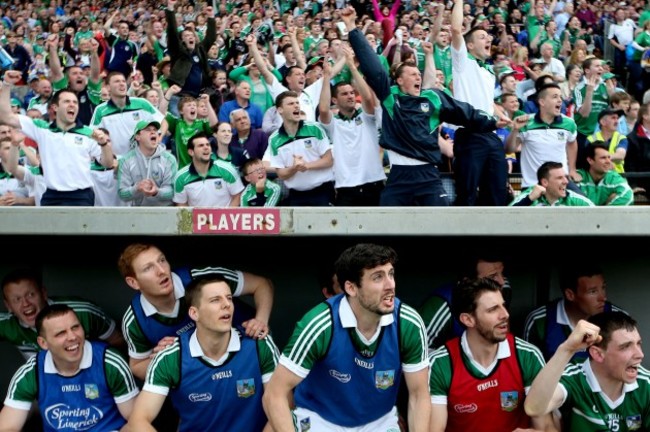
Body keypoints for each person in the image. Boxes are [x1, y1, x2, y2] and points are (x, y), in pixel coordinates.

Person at [342, 7, 503, 206]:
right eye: (412, 74)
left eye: (419, 74)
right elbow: (374, 69)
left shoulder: (433, 98)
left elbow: (465, 113)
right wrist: (352, 28)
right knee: (387, 228)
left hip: (429, 176)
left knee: (438, 228)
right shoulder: (391, 98)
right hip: (399, 177)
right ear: (399, 81)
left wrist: (493, 122)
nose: (418, 76)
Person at [263, 243, 431, 431]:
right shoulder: (319, 324)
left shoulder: (409, 323)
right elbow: (274, 395)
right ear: (351, 288)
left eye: (391, 274)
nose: (390, 285)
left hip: (379, 420)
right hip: (320, 419)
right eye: (378, 277)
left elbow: (419, 395)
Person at [124, 276, 279, 432]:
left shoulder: (258, 344)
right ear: (194, 313)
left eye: (229, 298)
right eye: (215, 300)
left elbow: (283, 407)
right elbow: (138, 421)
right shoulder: (170, 356)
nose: (226, 305)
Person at [118, 242, 273, 380]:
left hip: (247, 353)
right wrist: (164, 359)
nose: (161, 271)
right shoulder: (134, 320)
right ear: (133, 282)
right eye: (148, 268)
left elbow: (262, 284)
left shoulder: (200, 278)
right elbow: (137, 366)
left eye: (162, 260)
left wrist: (260, 320)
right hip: (200, 377)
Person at [429, 277, 552, 431]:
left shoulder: (528, 356)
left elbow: (547, 427)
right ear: (468, 319)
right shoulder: (441, 363)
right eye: (493, 309)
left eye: (503, 306)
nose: (505, 314)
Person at [0, 304, 139, 431]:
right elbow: (7, 427)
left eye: (75, 327)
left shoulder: (109, 363)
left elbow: (137, 421)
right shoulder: (31, 372)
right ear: (43, 343)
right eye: (61, 333)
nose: (72, 336)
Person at [0, 71, 113, 206]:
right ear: (55, 107)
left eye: (75, 102)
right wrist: (6, 84)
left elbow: (108, 163)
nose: (72, 105)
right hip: (51, 196)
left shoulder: (89, 133)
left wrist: (104, 144)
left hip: (81, 197)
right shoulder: (43, 129)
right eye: (66, 101)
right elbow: (6, 116)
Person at [524, 312, 650, 431]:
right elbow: (534, 408)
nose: (640, 354)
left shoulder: (646, 384)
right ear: (597, 354)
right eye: (626, 347)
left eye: (638, 344)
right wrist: (567, 348)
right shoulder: (574, 377)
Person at [450, 0, 509, 206]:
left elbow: (486, 101)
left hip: (491, 136)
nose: (488, 39)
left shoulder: (489, 71)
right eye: (482, 36)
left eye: (489, 36)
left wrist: (501, 114)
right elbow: (456, 29)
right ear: (470, 45)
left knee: (497, 193)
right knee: (467, 194)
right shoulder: (462, 63)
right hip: (470, 135)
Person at [0, 268, 123, 360]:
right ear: (8, 306)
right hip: (48, 384)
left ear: (43, 293)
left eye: (31, 295)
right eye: (17, 299)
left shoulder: (83, 313)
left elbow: (118, 341)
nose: (25, 303)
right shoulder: (8, 325)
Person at [319, 45, 386, 206]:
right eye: (344, 94)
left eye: (351, 93)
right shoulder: (334, 124)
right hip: (346, 187)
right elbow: (323, 109)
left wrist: (352, 68)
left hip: (373, 183)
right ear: (335, 100)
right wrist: (327, 77)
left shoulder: (367, 117)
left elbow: (368, 98)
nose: (350, 96)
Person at [524, 262, 625, 362]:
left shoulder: (618, 318)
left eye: (603, 288)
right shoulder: (539, 320)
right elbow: (531, 372)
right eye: (593, 292)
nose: (603, 297)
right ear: (570, 295)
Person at [418, 253, 510, 352]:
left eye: (502, 273)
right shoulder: (442, 306)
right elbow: (419, 353)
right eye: (492, 277)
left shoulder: (504, 289)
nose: (501, 282)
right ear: (468, 281)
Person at [507, 83, 579, 191]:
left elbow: (572, 142)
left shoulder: (569, 123)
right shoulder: (526, 122)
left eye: (560, 97)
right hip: (532, 186)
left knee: (585, 205)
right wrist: (515, 130)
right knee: (516, 207)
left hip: (561, 183)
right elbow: (509, 149)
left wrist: (572, 169)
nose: (560, 100)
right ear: (542, 102)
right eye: (555, 97)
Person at [267, 90, 334, 206]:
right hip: (295, 195)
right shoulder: (274, 139)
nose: (296, 106)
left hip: (322, 192)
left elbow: (329, 160)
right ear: (280, 110)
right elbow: (281, 174)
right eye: (291, 104)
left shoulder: (315, 129)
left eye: (297, 103)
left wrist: (306, 166)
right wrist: (294, 168)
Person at [90, 72, 165, 157]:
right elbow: (93, 134)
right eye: (117, 81)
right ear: (108, 87)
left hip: (142, 159)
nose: (122, 84)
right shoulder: (100, 110)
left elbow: (163, 121)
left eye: (123, 81)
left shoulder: (142, 103)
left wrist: (158, 138)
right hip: (117, 163)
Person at [173, 131, 244, 207]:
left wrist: (225, 217)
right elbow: (181, 204)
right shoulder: (180, 177)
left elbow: (237, 196)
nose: (206, 147)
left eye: (208, 145)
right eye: (201, 145)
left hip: (224, 218)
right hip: (196, 218)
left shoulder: (227, 169)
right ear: (191, 152)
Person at [117, 120, 178, 207]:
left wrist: (157, 191)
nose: (153, 132)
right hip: (138, 213)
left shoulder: (169, 159)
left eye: (155, 130)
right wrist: (137, 188)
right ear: (138, 136)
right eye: (148, 129)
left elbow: (173, 191)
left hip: (165, 212)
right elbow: (122, 194)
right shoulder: (126, 160)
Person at [509, 161, 595, 206]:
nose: (566, 181)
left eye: (565, 177)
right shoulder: (529, 196)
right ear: (545, 182)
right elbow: (506, 218)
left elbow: (599, 216)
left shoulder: (575, 200)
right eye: (560, 178)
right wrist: (529, 199)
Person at [576, 141, 633, 206]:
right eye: (603, 158)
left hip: (606, 215)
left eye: (609, 157)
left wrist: (603, 214)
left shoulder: (613, 176)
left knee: (614, 196)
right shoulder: (578, 176)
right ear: (590, 160)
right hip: (582, 215)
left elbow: (628, 195)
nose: (608, 161)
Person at [587, 108, 628, 173]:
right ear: (603, 122)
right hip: (597, 175)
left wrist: (603, 159)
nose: (617, 121)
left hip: (618, 177)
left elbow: (620, 155)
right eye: (613, 118)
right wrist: (608, 161)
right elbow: (588, 159)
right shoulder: (591, 139)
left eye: (617, 118)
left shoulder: (621, 138)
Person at [626, 102, 650, 199]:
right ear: (645, 116)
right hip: (644, 186)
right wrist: (633, 186)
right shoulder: (632, 139)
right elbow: (630, 165)